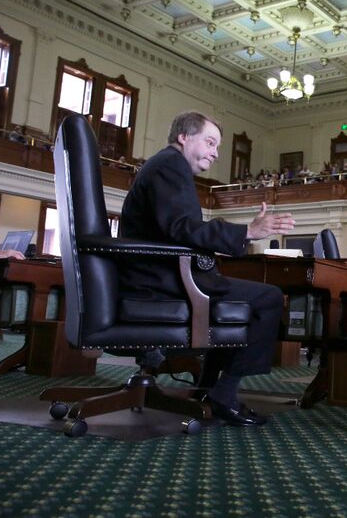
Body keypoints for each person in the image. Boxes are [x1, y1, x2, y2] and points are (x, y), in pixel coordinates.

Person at [120, 111, 295, 427]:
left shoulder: (164, 165)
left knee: (249, 296)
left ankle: (211, 389)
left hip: (155, 274)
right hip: (161, 281)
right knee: (268, 298)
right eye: (210, 143)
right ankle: (223, 394)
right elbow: (182, 228)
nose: (216, 153)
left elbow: (178, 229)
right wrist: (247, 233)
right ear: (184, 137)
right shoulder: (170, 165)